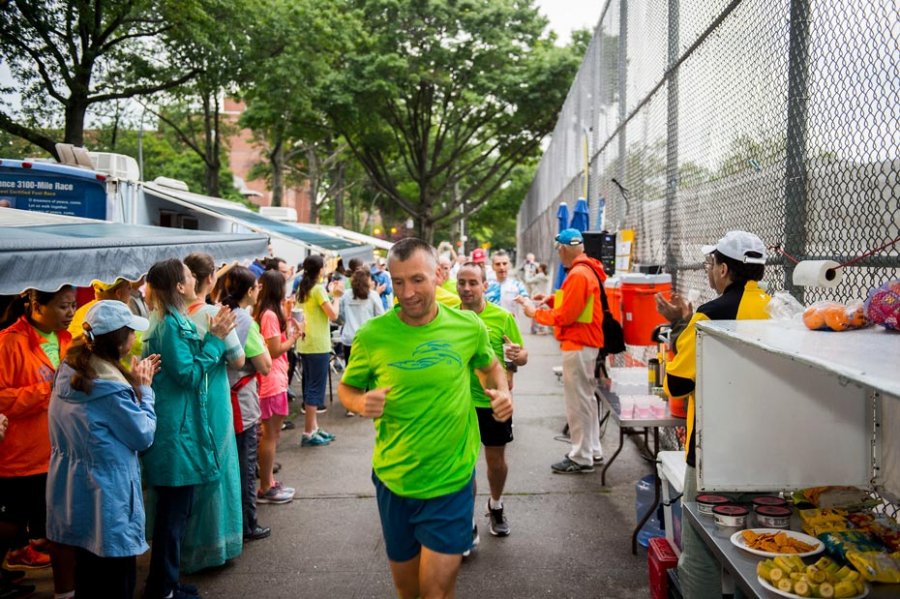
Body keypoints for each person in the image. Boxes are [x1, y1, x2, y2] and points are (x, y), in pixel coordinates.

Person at [338, 238, 512, 599]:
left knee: (434, 591)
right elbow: (347, 389)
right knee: (409, 592)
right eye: (398, 282)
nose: (408, 292)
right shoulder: (373, 335)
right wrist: (359, 403)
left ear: (438, 276)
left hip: (450, 481)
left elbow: (490, 367)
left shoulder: (467, 327)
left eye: (417, 280)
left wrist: (501, 392)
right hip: (395, 479)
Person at [661, 231, 770, 599]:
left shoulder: (711, 314)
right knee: (756, 548)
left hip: (714, 452)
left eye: (711, 264)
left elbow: (676, 385)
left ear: (724, 269)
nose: (709, 270)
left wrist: (676, 335)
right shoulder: (776, 310)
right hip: (773, 451)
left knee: (703, 551)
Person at [46, 300, 158, 598]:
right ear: (119, 341)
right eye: (131, 332)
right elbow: (143, 435)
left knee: (89, 575)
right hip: (109, 496)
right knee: (116, 580)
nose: (135, 338)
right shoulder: (108, 386)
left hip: (75, 491)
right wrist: (145, 390)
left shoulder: (68, 370)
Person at [141, 258, 236, 599]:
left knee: (176, 513)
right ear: (180, 286)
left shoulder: (170, 320)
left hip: (180, 427)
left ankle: (166, 581)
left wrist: (212, 338)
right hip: (175, 431)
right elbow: (188, 375)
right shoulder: (168, 324)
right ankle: (163, 588)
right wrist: (214, 340)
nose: (194, 280)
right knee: (172, 514)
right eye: (187, 276)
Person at [0, 287, 77, 597]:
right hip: (20, 455)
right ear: (36, 305)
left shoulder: (67, 339)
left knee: (57, 527)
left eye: (73, 305)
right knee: (11, 524)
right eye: (63, 306)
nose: (71, 312)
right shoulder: (9, 342)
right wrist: (46, 389)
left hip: (59, 450)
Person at [520, 228, 606, 474]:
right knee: (586, 400)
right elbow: (578, 305)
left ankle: (580, 456)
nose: (558, 254)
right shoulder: (587, 270)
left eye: (558, 249)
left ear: (563, 248)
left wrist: (535, 313)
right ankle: (592, 450)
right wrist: (551, 299)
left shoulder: (578, 274)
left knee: (577, 403)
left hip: (578, 343)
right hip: (586, 342)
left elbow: (567, 315)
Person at [180, 253, 246, 573]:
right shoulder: (213, 315)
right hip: (214, 399)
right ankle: (215, 547)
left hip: (181, 402)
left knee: (190, 468)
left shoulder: (169, 316)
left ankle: (185, 548)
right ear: (211, 280)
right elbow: (238, 359)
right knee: (217, 466)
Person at [456, 261, 527, 539]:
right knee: (464, 464)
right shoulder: (449, 318)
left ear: (485, 286)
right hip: (460, 402)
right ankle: (466, 518)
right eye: (462, 282)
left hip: (494, 402)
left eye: (473, 282)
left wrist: (515, 355)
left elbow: (522, 356)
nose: (466, 288)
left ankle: (495, 505)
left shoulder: (503, 317)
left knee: (496, 462)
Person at [220, 266, 273, 541]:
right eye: (256, 287)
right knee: (245, 463)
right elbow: (265, 365)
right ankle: (248, 524)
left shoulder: (221, 312)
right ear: (250, 291)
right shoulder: (247, 323)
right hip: (241, 401)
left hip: (222, 397)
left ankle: (234, 523)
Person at [254, 270, 302, 503]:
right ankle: (265, 486)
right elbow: (274, 350)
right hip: (272, 381)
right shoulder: (269, 315)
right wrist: (292, 340)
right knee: (270, 435)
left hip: (274, 379)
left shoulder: (269, 312)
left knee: (271, 434)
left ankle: (268, 483)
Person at [295, 255, 341, 445]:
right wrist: (337, 297)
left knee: (310, 385)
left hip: (305, 343)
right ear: (320, 270)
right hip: (318, 344)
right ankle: (308, 432)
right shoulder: (318, 289)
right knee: (316, 388)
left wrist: (330, 296)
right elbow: (334, 315)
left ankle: (313, 428)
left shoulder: (303, 288)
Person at [67, 278, 132, 338]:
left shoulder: (83, 311)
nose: (131, 291)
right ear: (119, 293)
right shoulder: (115, 318)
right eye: (129, 288)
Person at [486, 249, 528, 315]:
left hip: (510, 323)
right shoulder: (486, 286)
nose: (502, 267)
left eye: (504, 263)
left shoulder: (518, 285)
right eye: (498, 264)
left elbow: (528, 303)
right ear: (493, 267)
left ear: (509, 265)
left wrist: (524, 301)